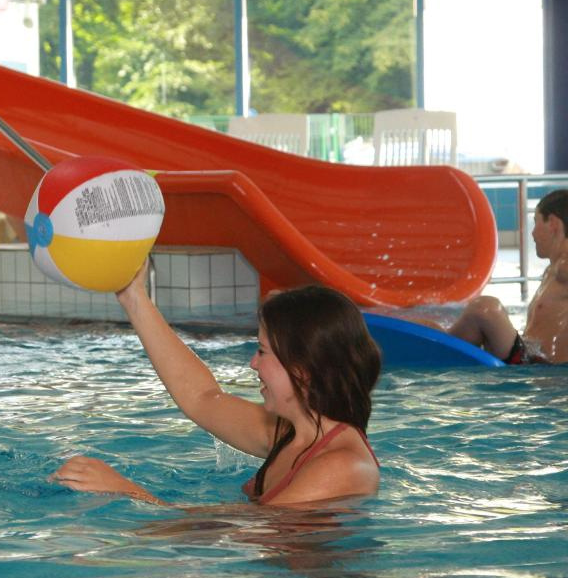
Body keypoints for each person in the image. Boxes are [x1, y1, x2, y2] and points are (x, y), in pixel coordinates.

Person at [54, 277, 382, 507]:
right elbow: (201, 397)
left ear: (301, 371)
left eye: (263, 352)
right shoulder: (290, 433)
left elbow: (248, 534)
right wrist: (132, 296)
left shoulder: (340, 466)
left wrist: (123, 490)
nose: (254, 363)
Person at [447, 189, 568, 364]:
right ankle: (441, 341)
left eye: (536, 222)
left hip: (541, 367)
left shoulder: (564, 266)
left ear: (552, 223)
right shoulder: (553, 269)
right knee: (486, 312)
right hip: (529, 358)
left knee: (486, 309)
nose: (532, 234)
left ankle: (437, 345)